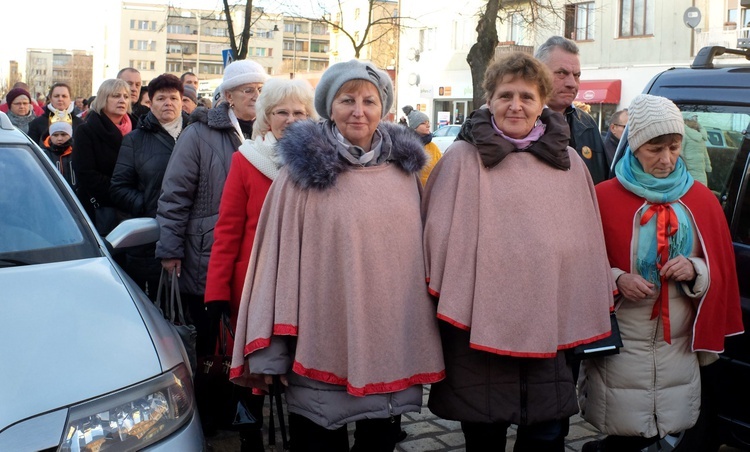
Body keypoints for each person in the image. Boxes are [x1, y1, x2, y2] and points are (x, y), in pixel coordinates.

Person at [228, 59, 445, 452]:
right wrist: (274, 352)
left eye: (369, 100)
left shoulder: (404, 174)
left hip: (387, 344)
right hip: (318, 341)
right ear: (330, 105)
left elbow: (417, 261)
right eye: (347, 99)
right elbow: (274, 268)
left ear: (384, 109)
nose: (358, 111)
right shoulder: (299, 175)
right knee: (317, 444)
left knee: (377, 443)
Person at [422, 52, 614, 452]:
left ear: (542, 101)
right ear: (488, 99)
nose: (516, 105)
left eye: (527, 96)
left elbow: (585, 246)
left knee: (545, 437)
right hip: (479, 329)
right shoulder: (460, 160)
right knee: (484, 437)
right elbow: (436, 242)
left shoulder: (569, 165)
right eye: (505, 94)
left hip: (550, 323)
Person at [579, 94, 743, 452]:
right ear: (635, 146)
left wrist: (695, 269)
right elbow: (580, 267)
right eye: (655, 148)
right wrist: (618, 278)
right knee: (624, 434)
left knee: (670, 431)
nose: (667, 159)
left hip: (678, 347)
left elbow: (719, 268)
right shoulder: (602, 197)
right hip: (623, 345)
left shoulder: (702, 199)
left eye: (674, 146)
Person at [204, 77, 316, 451]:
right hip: (252, 284)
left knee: (301, 363)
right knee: (255, 365)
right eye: (280, 112)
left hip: (304, 283)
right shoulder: (247, 159)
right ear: (266, 118)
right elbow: (228, 229)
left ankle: (305, 432)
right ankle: (250, 436)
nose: (289, 118)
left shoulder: (323, 162)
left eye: (298, 112)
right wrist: (217, 291)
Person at [156, 59, 268, 417]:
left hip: (258, 254)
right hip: (207, 254)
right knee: (211, 341)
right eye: (248, 90)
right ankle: (210, 411)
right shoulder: (199, 133)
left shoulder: (273, 131)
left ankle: (249, 404)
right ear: (229, 96)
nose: (256, 96)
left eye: (261, 90)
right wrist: (170, 250)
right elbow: (174, 196)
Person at [110, 74, 188, 299]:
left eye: (173, 98)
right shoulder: (135, 140)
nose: (168, 103)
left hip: (193, 236)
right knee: (157, 307)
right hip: (152, 237)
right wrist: (147, 205)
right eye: (161, 98)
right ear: (150, 103)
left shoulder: (196, 134)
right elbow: (118, 187)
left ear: (182, 101)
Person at [535, 36, 609, 184]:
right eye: (561, 73)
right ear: (538, 74)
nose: (572, 83)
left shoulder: (587, 124)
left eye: (577, 75)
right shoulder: (519, 122)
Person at [73, 79, 137, 233]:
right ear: (103, 99)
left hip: (136, 206)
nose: (122, 100)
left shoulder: (138, 128)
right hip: (103, 207)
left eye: (126, 96)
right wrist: (124, 193)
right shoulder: (86, 131)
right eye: (116, 96)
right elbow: (86, 174)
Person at [402, 105, 441, 185]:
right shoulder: (405, 147)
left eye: (428, 123)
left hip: (430, 191)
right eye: (423, 123)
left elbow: (441, 169)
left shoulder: (433, 147)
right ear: (414, 127)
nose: (428, 125)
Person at [41, 121, 76, 192]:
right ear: (50, 136)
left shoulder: (77, 152)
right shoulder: (43, 153)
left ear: (70, 135)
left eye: (63, 135)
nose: (59, 138)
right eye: (55, 135)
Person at [681, 115, 712, 186]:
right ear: (686, 121)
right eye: (692, 118)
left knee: (703, 190)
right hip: (690, 171)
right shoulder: (684, 135)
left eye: (696, 118)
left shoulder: (700, 135)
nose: (695, 121)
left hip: (701, 170)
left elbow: (705, 153)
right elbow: (680, 153)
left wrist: (708, 166)